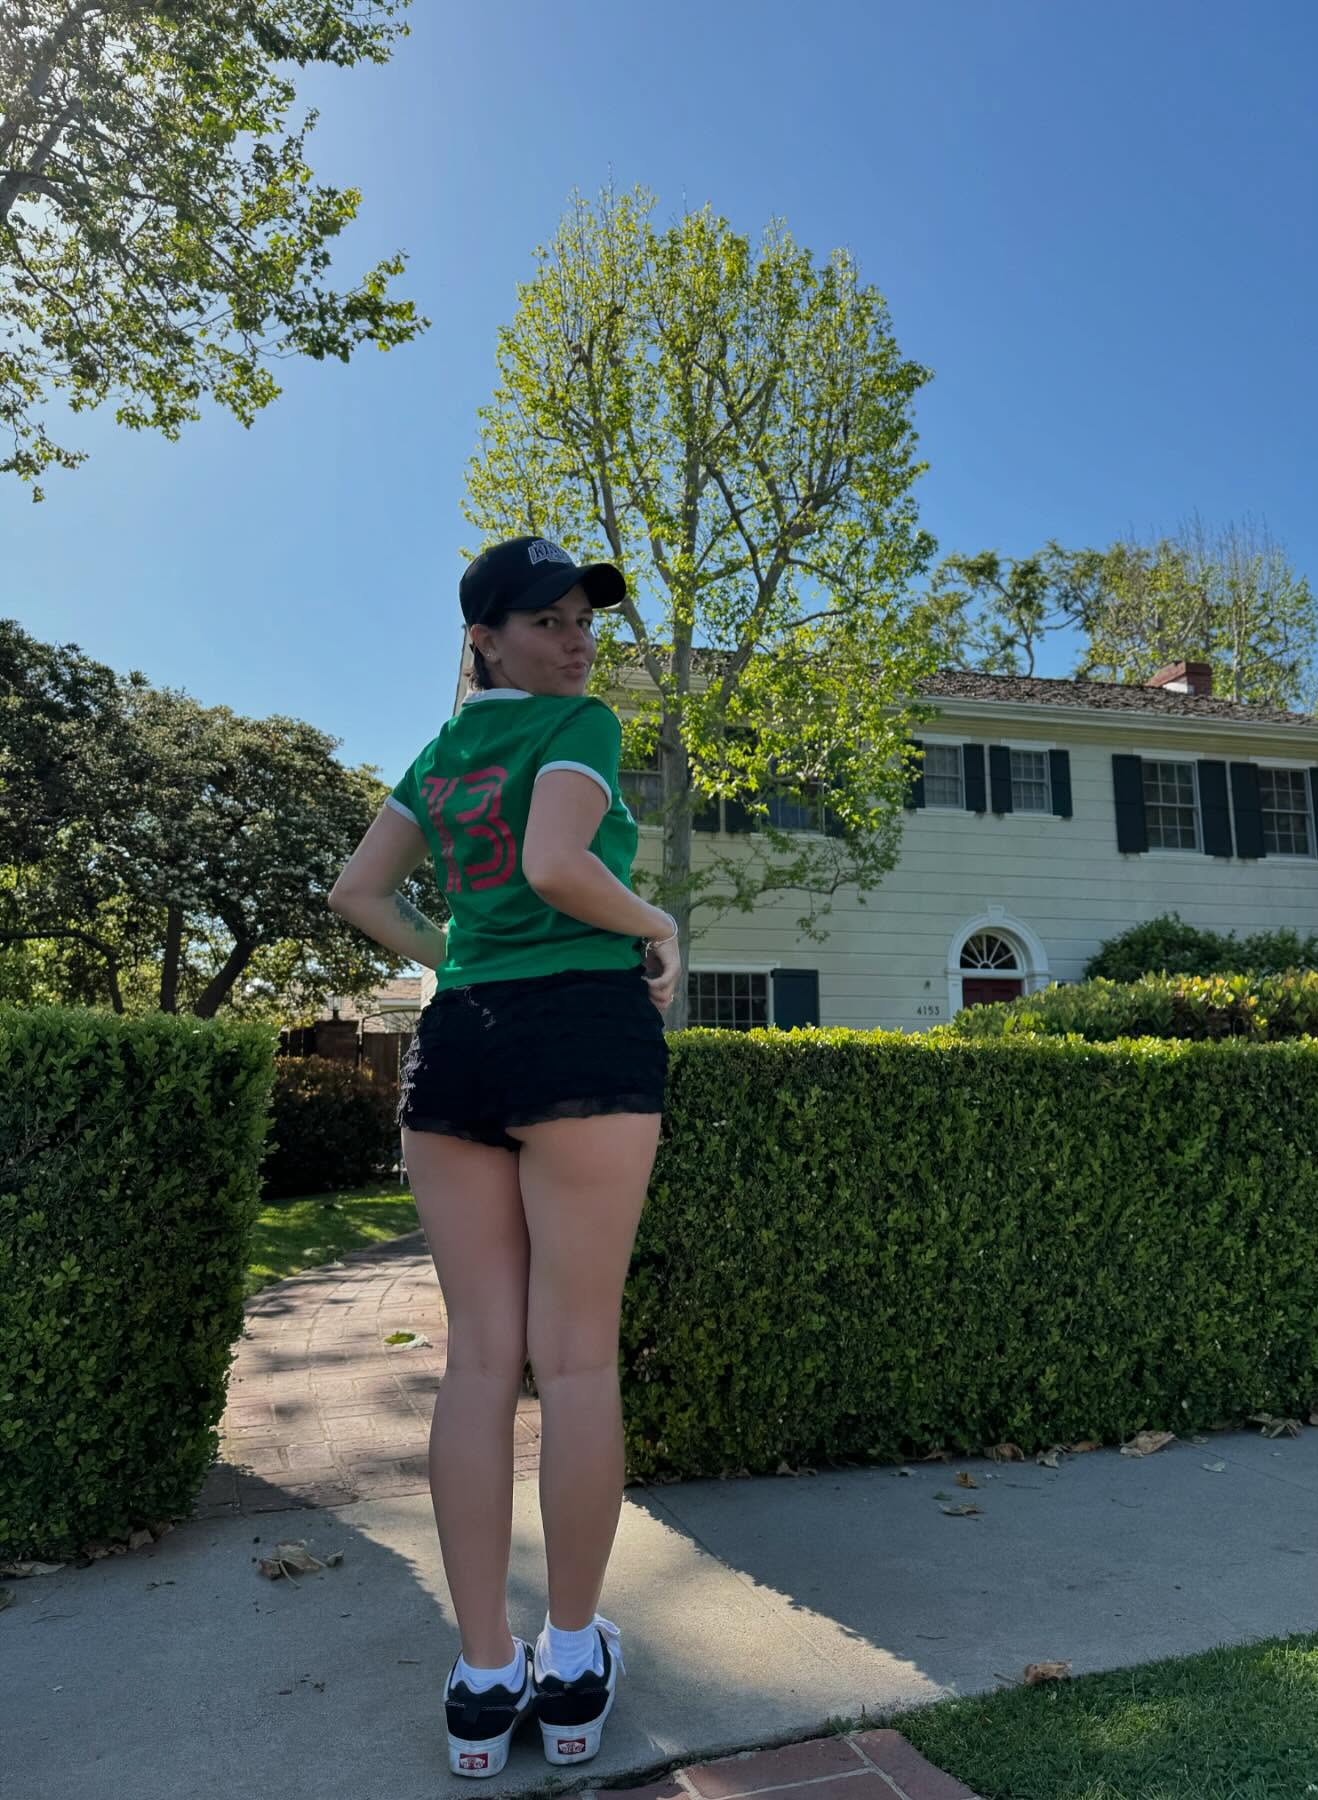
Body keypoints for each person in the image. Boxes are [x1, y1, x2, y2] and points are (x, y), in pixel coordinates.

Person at [327, 534, 682, 1780]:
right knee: (574, 1360)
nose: (575, 641)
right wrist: (656, 922)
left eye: (583, 618)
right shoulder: (576, 727)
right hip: (580, 1028)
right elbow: (556, 867)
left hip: (461, 1042)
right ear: (484, 637)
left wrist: (455, 955)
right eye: (545, 621)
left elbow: (359, 892)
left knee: (480, 1361)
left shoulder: (441, 754)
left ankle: (485, 1682)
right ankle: (571, 1664)